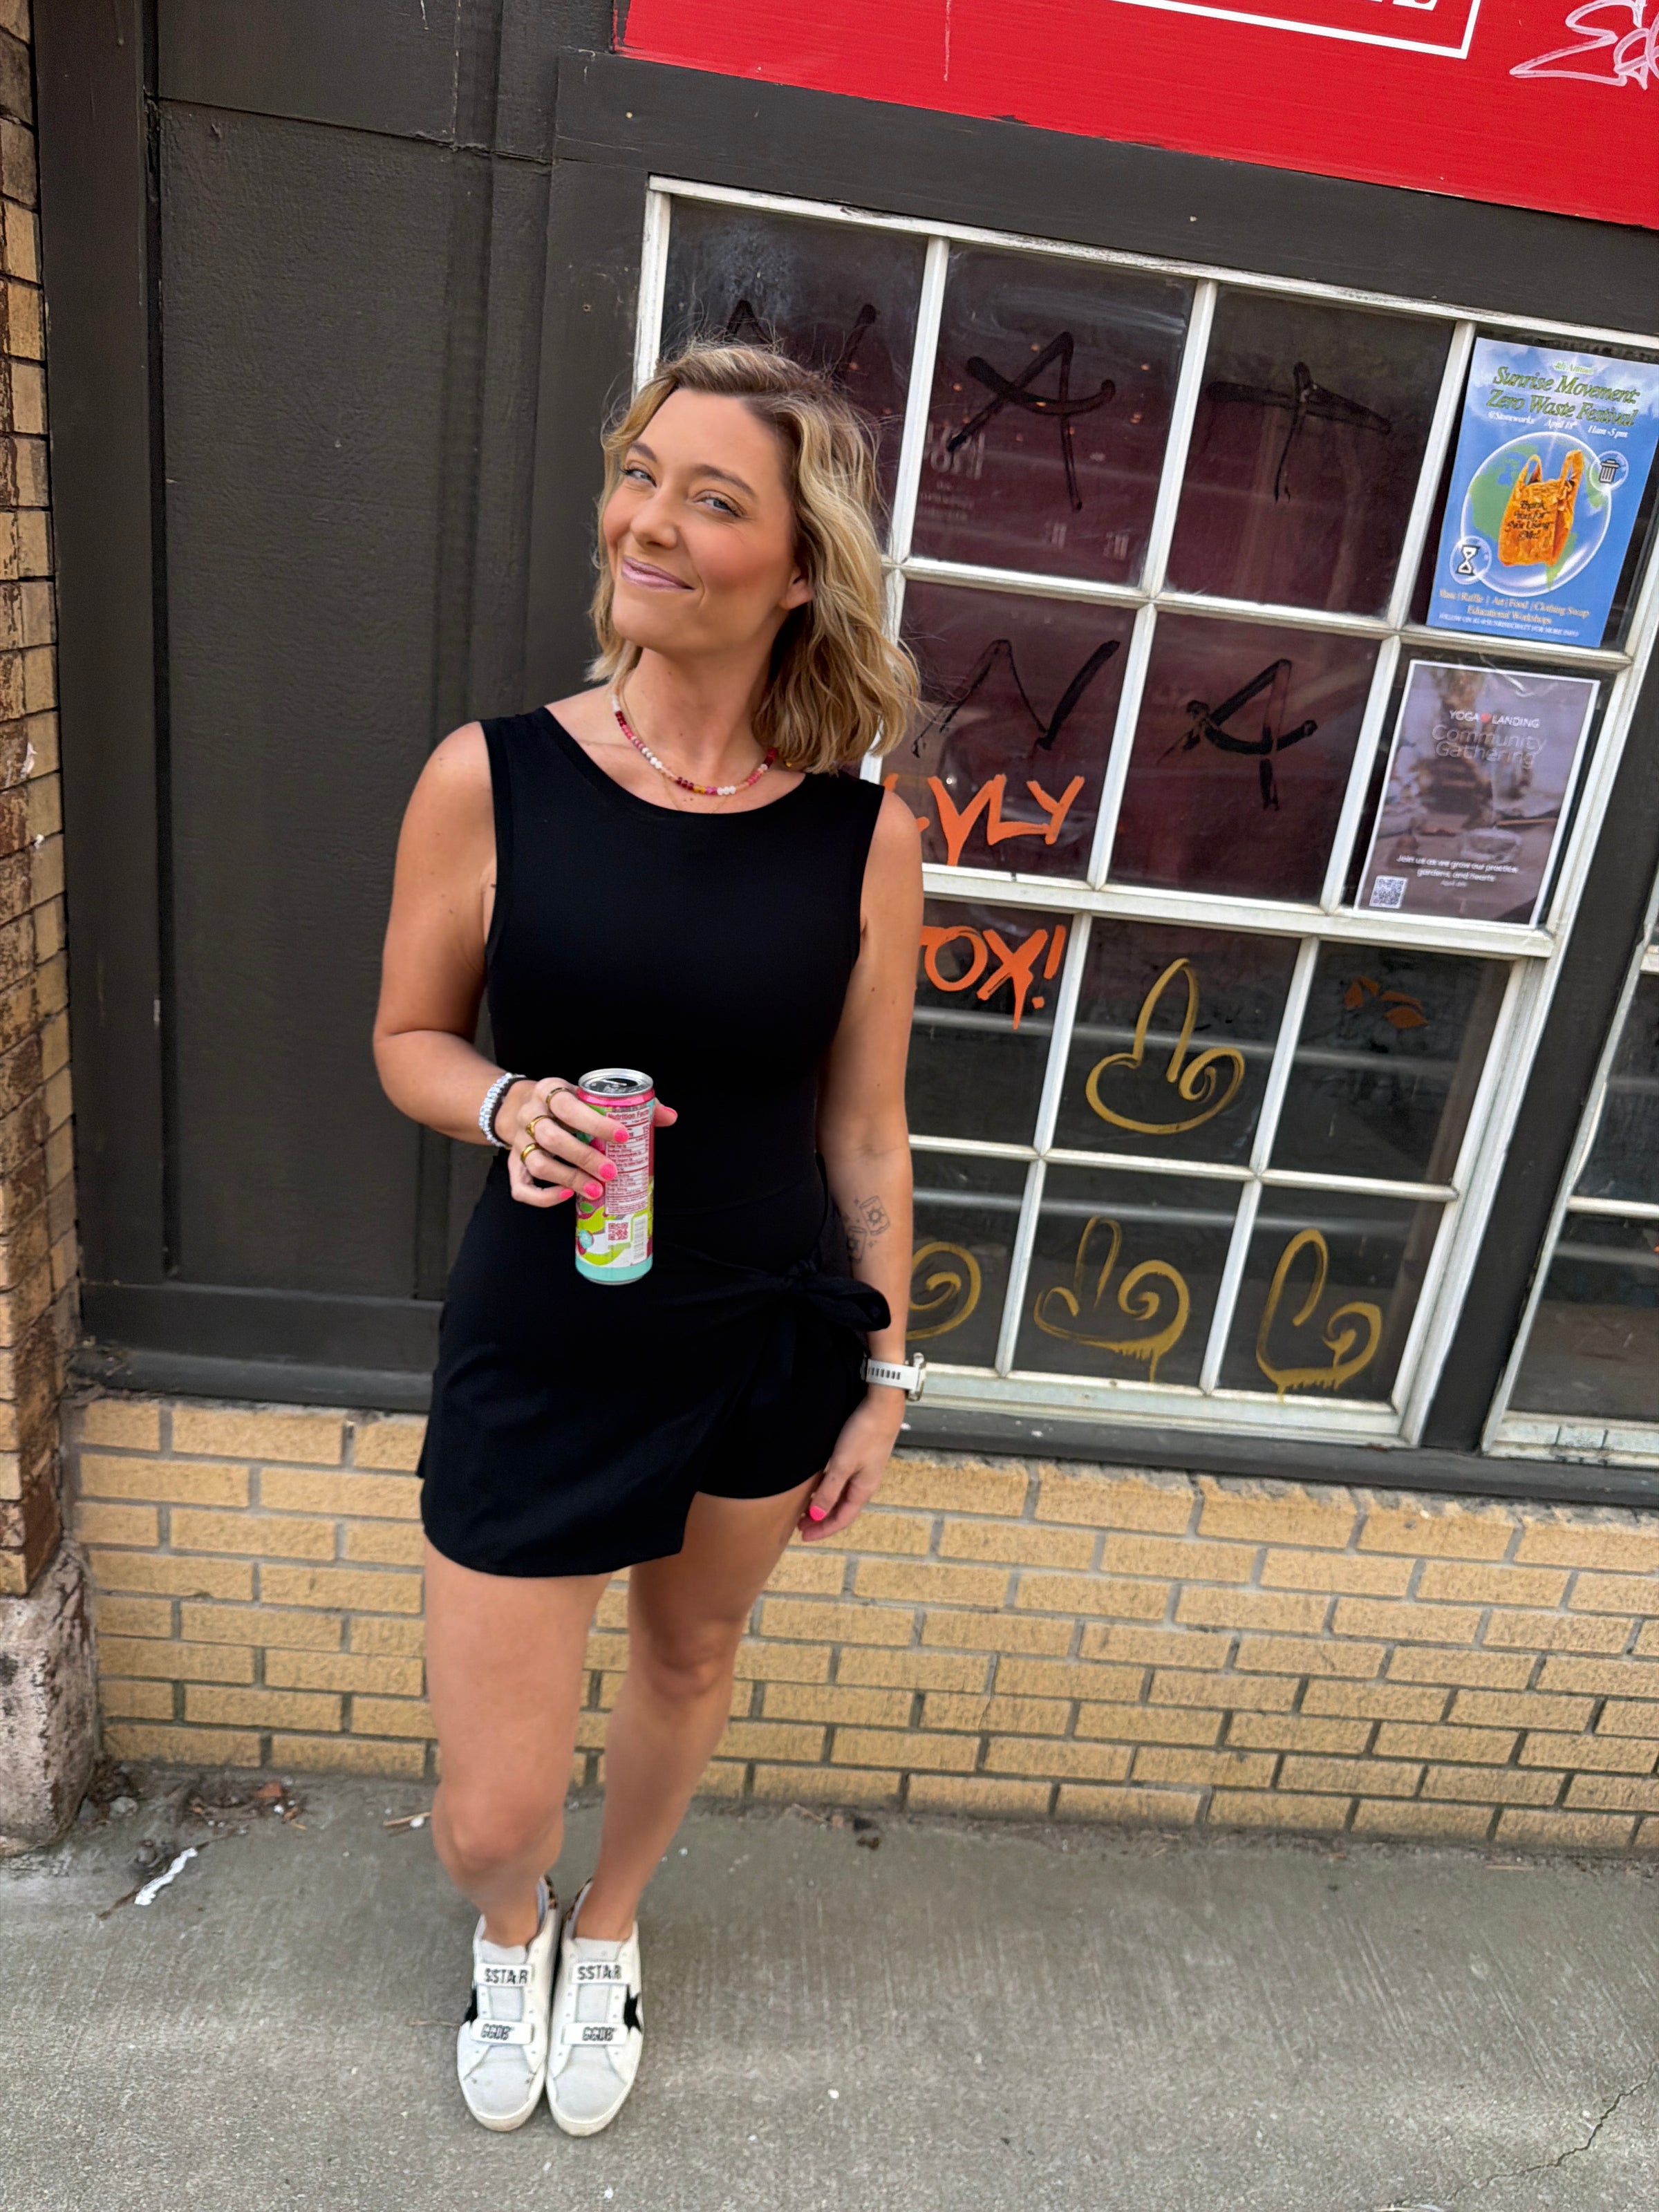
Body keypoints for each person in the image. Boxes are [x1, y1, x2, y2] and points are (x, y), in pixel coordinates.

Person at [373, 341, 924, 2136]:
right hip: (546, 1335)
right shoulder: (493, 778)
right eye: (639, 475)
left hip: (764, 1335)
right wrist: (503, 1105)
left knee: (690, 1658)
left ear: (800, 567)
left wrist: (884, 1373)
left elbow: (864, 1128)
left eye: (711, 497)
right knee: (489, 1812)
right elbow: (408, 1039)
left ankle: (605, 1929)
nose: (648, 522)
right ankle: (513, 1919)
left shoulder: (862, 839)